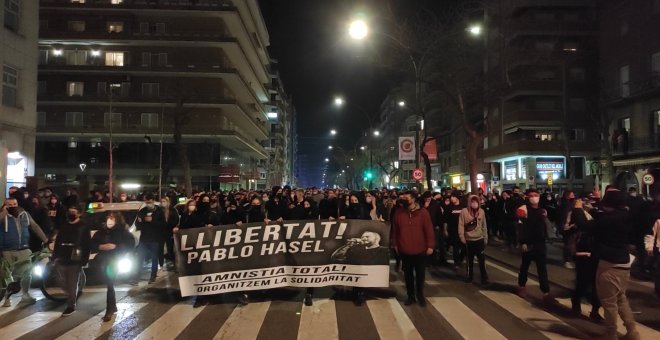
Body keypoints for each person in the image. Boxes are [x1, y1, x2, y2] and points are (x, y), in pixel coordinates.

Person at [575, 189, 640, 340]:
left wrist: (578, 209)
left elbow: (587, 226)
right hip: (623, 263)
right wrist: (591, 209)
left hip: (609, 264)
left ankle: (610, 333)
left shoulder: (608, 219)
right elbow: (604, 219)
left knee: (609, 302)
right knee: (621, 298)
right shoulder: (625, 216)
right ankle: (632, 331)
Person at [0, 198, 48, 307]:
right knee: (9, 276)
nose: (12, 206)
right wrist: (4, 212)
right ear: (5, 205)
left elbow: (35, 226)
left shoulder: (24, 214)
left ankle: (25, 295)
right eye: (9, 204)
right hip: (8, 249)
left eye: (14, 204)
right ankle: (7, 298)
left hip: (24, 248)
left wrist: (45, 239)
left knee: (27, 273)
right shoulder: (3, 215)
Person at [391, 191, 435, 306]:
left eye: (407, 197)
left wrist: (430, 245)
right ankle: (411, 296)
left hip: (420, 250)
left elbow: (429, 230)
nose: (404, 199)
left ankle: (420, 295)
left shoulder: (423, 213)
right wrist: (395, 244)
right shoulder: (399, 213)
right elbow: (395, 230)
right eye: (403, 197)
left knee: (420, 275)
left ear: (414, 199)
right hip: (404, 250)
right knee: (408, 275)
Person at [90, 211, 135, 322]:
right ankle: (113, 306)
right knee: (108, 281)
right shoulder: (101, 231)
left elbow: (130, 244)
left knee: (110, 283)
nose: (110, 220)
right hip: (103, 260)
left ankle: (109, 309)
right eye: (108, 217)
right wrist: (100, 246)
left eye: (112, 218)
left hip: (115, 259)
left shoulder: (122, 231)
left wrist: (115, 246)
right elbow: (92, 243)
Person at [516, 188, 555, 304]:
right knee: (525, 267)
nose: (534, 197)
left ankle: (546, 292)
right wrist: (522, 242)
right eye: (531, 195)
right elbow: (520, 228)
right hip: (528, 243)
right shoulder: (523, 210)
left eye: (536, 195)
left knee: (542, 268)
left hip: (540, 243)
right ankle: (522, 286)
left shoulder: (542, 210)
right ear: (527, 197)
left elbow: (545, 225)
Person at [52, 204, 91, 316]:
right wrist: (55, 256)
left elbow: (87, 244)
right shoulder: (64, 226)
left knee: (72, 283)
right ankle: (72, 295)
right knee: (60, 281)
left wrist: (84, 260)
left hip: (75, 259)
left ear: (79, 213)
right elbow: (58, 242)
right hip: (62, 257)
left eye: (73, 212)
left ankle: (71, 305)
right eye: (69, 212)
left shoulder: (83, 227)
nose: (71, 214)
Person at [570, 197, 602, 321]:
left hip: (596, 253)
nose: (588, 203)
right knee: (583, 281)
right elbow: (572, 228)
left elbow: (590, 224)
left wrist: (580, 209)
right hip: (583, 252)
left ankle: (595, 310)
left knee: (597, 284)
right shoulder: (575, 213)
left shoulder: (599, 215)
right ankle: (576, 300)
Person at [133, 193, 165, 284]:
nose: (148, 203)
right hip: (144, 239)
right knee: (140, 258)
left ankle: (153, 276)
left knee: (154, 258)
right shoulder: (142, 211)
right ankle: (137, 277)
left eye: (149, 202)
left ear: (153, 201)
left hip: (155, 239)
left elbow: (162, 224)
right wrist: (142, 222)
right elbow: (137, 224)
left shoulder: (159, 211)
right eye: (146, 202)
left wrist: (152, 221)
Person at [459, 195, 489, 285]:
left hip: (479, 239)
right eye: (472, 202)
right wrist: (461, 236)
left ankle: (484, 278)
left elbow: (484, 225)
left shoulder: (481, 212)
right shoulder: (464, 212)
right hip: (469, 239)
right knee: (469, 260)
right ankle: (469, 276)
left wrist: (485, 237)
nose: (474, 204)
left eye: (476, 202)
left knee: (482, 260)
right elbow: (460, 225)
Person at [444, 194, 464, 271]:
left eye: (453, 197)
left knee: (464, 247)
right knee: (456, 247)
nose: (452, 198)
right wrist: (445, 229)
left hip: (462, 230)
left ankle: (460, 259)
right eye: (451, 197)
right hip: (453, 230)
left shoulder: (463, 206)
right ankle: (456, 262)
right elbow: (445, 220)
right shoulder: (449, 207)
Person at [159, 197, 180, 271]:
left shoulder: (173, 210)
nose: (163, 203)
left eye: (164, 201)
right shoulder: (159, 210)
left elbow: (176, 219)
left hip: (169, 232)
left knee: (170, 249)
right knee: (160, 249)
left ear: (168, 202)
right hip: (161, 232)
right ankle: (161, 265)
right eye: (161, 201)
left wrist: (171, 226)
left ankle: (175, 265)